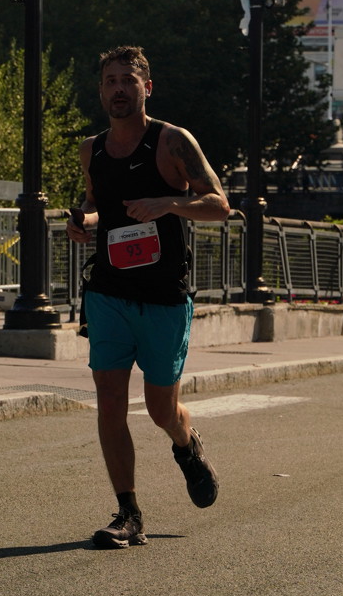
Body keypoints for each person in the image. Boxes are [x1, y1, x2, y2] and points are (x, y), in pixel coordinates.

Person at [66, 46, 231, 549]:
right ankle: (128, 513)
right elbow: (97, 204)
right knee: (110, 402)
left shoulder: (172, 141)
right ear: (101, 91)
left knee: (162, 410)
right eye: (110, 81)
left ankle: (186, 442)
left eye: (128, 81)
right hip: (108, 292)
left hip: (163, 296)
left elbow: (219, 205)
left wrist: (169, 203)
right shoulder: (91, 150)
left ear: (147, 88)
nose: (118, 89)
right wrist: (84, 222)